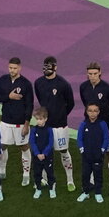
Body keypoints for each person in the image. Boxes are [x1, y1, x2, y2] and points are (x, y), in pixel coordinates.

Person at [0, 58, 33, 187]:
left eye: (14, 68)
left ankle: (26, 175)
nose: (12, 70)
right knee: (2, 146)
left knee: (24, 147)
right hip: (5, 121)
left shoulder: (26, 84)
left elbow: (29, 105)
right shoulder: (2, 80)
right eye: (10, 68)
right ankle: (1, 171)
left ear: (20, 68)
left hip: (20, 123)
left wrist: (27, 124)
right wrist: (8, 97)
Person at [77, 63, 109, 195]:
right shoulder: (83, 87)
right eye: (90, 74)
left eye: (95, 73)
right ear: (87, 74)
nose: (92, 76)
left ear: (100, 72)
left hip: (105, 126)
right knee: (90, 153)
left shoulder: (108, 88)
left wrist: (105, 120)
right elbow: (85, 104)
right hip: (89, 127)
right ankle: (92, 182)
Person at [36, 57, 77, 186]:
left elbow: (71, 103)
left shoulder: (63, 84)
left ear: (55, 67)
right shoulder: (38, 83)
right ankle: (44, 178)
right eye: (45, 66)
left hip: (60, 126)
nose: (46, 69)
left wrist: (61, 115)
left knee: (63, 151)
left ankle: (70, 180)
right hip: (45, 125)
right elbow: (41, 100)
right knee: (44, 151)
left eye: (49, 66)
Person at [76, 104, 108, 203]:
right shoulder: (83, 124)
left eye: (95, 111)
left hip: (98, 155)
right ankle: (85, 192)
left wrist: (102, 150)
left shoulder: (102, 124)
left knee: (98, 174)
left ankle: (98, 193)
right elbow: (79, 138)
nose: (92, 113)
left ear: (98, 112)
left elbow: (106, 138)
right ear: (86, 112)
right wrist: (82, 150)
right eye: (90, 111)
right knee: (85, 174)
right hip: (86, 156)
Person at [30, 113, 58, 199]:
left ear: (45, 119)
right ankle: (38, 189)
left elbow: (50, 143)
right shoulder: (34, 129)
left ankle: (52, 188)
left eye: (40, 119)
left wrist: (44, 153)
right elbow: (32, 142)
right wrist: (37, 153)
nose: (38, 121)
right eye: (37, 119)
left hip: (48, 156)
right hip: (36, 157)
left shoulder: (49, 129)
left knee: (50, 173)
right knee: (37, 173)